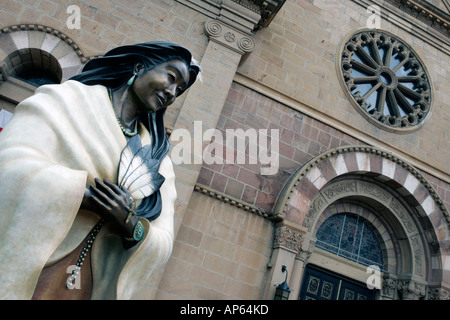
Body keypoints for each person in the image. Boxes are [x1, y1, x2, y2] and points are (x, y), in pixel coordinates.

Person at [0, 42, 200, 299]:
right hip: (32, 265)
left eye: (179, 90)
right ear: (139, 67)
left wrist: (129, 224)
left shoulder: (159, 158)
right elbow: (10, 163)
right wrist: (84, 197)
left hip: (89, 283)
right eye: (171, 78)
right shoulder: (67, 100)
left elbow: (163, 239)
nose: (172, 92)